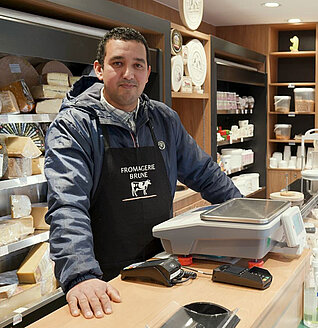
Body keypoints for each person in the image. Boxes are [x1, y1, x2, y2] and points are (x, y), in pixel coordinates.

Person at [45, 27, 242, 319]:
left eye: (137, 65)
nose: (129, 74)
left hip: (162, 267)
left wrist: (245, 215)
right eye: (118, 63)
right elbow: (67, 204)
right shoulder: (73, 126)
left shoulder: (163, 119)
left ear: (148, 73)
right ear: (99, 69)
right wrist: (81, 275)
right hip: (104, 282)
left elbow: (205, 173)